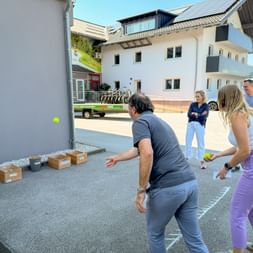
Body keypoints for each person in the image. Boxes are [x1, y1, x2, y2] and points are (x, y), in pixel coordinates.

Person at [106, 93, 209, 253]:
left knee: (155, 233)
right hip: (190, 184)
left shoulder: (140, 122)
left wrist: (141, 190)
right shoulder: (159, 121)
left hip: (168, 188)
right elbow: (139, 149)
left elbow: (147, 153)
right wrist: (118, 158)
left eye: (128, 108)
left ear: (133, 109)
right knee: (194, 239)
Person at [205, 84, 253, 253]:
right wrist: (219, 155)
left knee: (236, 214)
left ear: (225, 99)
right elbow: (242, 145)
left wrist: (227, 167)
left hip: (252, 170)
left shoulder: (236, 115)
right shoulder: (244, 113)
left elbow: (245, 150)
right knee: (250, 211)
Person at [185, 90, 209, 169]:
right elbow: (188, 114)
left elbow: (204, 116)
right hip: (191, 124)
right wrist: (198, 115)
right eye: (196, 96)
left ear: (202, 97)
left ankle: (202, 161)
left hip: (200, 125)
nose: (197, 98)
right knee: (188, 141)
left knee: (201, 143)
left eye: (198, 96)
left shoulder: (206, 106)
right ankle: (186, 157)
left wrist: (195, 114)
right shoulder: (192, 104)